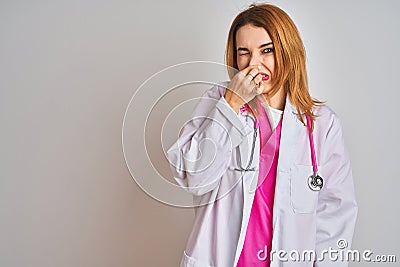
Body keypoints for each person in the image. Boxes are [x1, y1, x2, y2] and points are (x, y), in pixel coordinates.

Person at [167, 3, 358, 267]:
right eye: (243, 53)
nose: (253, 63)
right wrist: (230, 106)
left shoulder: (322, 124)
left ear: (288, 52)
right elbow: (195, 178)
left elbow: (335, 216)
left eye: (266, 50)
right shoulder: (218, 101)